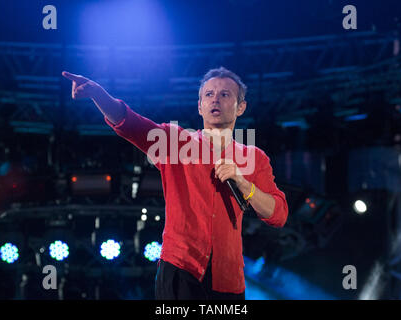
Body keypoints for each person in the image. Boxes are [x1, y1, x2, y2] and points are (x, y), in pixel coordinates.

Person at [62, 67, 288, 300]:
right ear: (199, 106)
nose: (215, 100)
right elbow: (129, 123)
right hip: (180, 270)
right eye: (209, 94)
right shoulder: (175, 142)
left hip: (228, 278)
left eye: (225, 94)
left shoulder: (255, 157)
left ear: (241, 107)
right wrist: (98, 94)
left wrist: (243, 183)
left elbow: (278, 214)